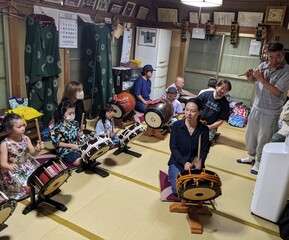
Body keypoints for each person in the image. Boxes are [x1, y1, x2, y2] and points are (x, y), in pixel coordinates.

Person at [236, 42, 289, 175]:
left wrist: (261, 79)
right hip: (256, 106)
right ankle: (251, 156)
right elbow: (252, 81)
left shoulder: (286, 71)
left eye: (277, 56)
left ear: (283, 54)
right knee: (251, 135)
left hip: (271, 111)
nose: (274, 60)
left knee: (264, 138)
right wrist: (250, 77)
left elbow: (278, 92)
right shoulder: (263, 65)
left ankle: (260, 162)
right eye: (271, 57)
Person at [168, 98, 210, 195]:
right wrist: (184, 162)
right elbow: (173, 147)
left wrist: (200, 161)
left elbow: (204, 149)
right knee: (178, 191)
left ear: (199, 112)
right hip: (178, 162)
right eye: (186, 110)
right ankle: (172, 175)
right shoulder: (176, 126)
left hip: (195, 163)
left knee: (197, 190)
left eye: (193, 111)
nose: (188, 113)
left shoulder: (204, 129)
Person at [0, 113, 44, 200]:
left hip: (26, 164)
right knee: (26, 188)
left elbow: (33, 153)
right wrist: (9, 166)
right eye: (19, 127)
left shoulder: (25, 138)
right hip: (13, 170)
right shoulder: (4, 144)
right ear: (9, 129)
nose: (23, 128)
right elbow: (2, 163)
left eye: (23, 125)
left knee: (41, 176)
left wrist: (38, 149)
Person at [50, 98, 86, 166]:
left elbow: (76, 136)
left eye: (73, 113)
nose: (72, 115)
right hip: (65, 150)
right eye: (70, 113)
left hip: (77, 145)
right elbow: (56, 143)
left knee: (90, 153)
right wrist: (71, 146)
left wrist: (79, 134)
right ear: (63, 114)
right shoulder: (56, 128)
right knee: (80, 162)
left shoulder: (75, 123)